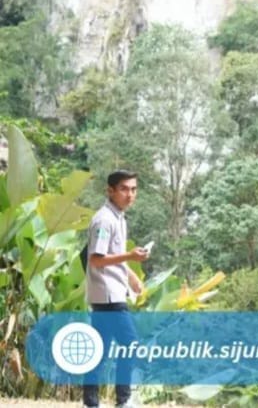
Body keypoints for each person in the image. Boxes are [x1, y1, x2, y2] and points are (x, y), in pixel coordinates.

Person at [83, 170, 150, 408]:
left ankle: (91, 403)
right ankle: (124, 400)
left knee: (99, 352)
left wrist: (130, 275)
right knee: (131, 345)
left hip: (111, 292)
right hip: (108, 295)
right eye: (123, 189)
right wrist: (131, 256)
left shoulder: (118, 218)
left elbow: (111, 257)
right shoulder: (104, 220)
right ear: (110, 190)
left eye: (133, 189)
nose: (130, 194)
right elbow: (96, 259)